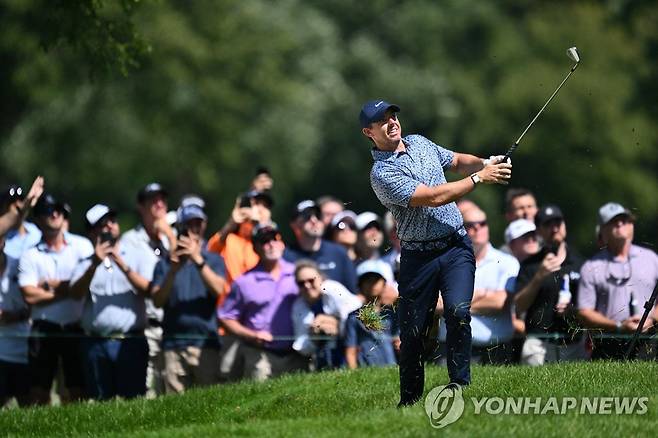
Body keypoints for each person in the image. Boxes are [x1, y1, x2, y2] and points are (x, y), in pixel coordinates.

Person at [360, 99, 512, 406]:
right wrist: (478, 178)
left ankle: (460, 384)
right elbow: (432, 197)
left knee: (458, 311)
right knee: (413, 333)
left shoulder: (419, 142)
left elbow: (455, 160)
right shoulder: (381, 173)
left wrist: (484, 162)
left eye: (393, 116)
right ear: (369, 132)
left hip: (455, 246)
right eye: (383, 121)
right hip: (418, 258)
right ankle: (410, 400)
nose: (392, 122)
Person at [69, 204, 151, 400]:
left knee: (133, 403)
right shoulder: (85, 262)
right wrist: (94, 265)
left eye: (112, 222)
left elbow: (148, 290)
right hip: (96, 343)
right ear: (91, 232)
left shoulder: (137, 253)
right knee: (100, 404)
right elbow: (75, 294)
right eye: (102, 225)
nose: (109, 227)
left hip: (131, 341)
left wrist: (122, 264)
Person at [18, 194, 94, 405]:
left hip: (75, 327)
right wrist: (67, 290)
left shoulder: (82, 246)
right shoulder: (30, 254)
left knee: (77, 389)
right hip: (43, 329)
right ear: (38, 219)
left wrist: (50, 286)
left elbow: (84, 287)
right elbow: (29, 295)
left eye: (58, 210)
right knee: (39, 391)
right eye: (47, 211)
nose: (54, 214)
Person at [219, 223, 309, 381]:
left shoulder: (298, 275)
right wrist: (252, 335)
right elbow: (226, 317)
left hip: (297, 354)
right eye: (264, 241)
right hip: (259, 355)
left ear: (282, 244)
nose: (271, 244)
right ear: (255, 248)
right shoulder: (244, 282)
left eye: (275, 239)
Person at [151, 205, 226, 393]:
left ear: (204, 226)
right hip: (172, 346)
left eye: (198, 224)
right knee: (174, 409)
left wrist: (198, 259)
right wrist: (173, 271)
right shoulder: (165, 264)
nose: (194, 229)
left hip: (206, 345)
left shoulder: (214, 260)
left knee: (210, 406)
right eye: (189, 225)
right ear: (180, 228)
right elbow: (157, 301)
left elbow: (219, 290)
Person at [438, 205, 519, 364]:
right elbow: (435, 303)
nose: (478, 228)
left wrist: (457, 304)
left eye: (482, 223)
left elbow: (500, 302)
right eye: (471, 225)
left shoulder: (507, 262)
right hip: (451, 349)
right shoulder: (445, 263)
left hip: (495, 350)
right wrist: (483, 295)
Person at [578, 202, 658, 360]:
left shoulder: (652, 258)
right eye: (613, 222)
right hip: (608, 344)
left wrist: (651, 319)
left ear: (632, 226)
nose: (620, 224)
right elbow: (584, 312)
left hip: (650, 342)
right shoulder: (591, 266)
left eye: (625, 220)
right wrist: (619, 326)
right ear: (602, 231)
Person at [120, 182, 176, 397]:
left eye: (162, 199)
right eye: (153, 200)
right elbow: (135, 284)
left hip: (172, 326)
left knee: (171, 391)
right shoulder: (130, 241)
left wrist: (170, 236)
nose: (159, 204)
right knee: (144, 391)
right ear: (140, 206)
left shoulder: (173, 236)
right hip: (147, 325)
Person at [514, 204, 587, 365]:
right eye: (548, 225)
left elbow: (589, 304)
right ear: (538, 231)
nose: (554, 229)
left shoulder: (580, 262)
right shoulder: (530, 265)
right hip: (538, 344)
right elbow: (519, 305)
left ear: (564, 225)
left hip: (573, 343)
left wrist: (572, 311)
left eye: (558, 223)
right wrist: (538, 277)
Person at [291, 260, 362, 369]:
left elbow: (356, 313)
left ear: (321, 278)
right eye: (301, 283)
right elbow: (301, 347)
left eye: (311, 280)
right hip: (322, 357)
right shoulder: (298, 306)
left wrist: (335, 324)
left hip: (353, 349)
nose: (307, 286)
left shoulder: (332, 288)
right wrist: (314, 337)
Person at [284, 200, 357, 293]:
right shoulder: (286, 257)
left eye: (318, 216)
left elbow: (353, 293)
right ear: (294, 224)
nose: (314, 220)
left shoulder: (339, 253)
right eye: (307, 216)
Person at [344, 261, 400, 369]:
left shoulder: (392, 315)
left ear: (384, 284)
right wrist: (353, 374)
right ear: (360, 285)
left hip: (392, 368)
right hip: (366, 369)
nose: (372, 284)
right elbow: (350, 350)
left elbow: (399, 342)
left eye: (375, 280)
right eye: (367, 280)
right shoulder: (354, 317)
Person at [0, 234, 31, 407]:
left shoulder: (20, 265)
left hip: (22, 350)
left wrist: (14, 316)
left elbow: (35, 305)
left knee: (28, 406)